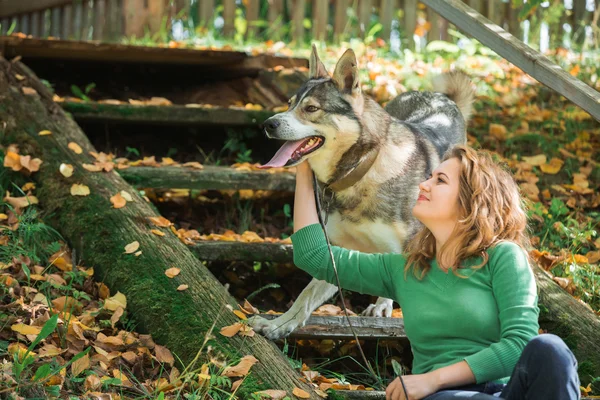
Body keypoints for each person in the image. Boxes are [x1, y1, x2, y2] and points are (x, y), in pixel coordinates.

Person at [290, 144, 580, 400]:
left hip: (502, 391)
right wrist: (304, 166)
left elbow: (520, 345)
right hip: (445, 397)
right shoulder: (404, 268)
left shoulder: (503, 257)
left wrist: (431, 380)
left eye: (439, 180)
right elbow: (313, 255)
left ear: (471, 200)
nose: (423, 185)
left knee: (550, 349)